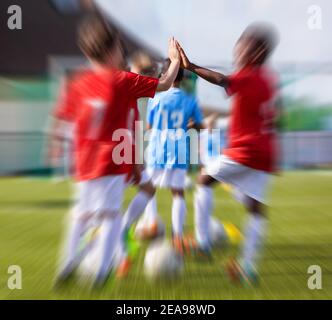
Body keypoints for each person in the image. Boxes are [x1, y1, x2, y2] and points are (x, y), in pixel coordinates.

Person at [50, 13, 181, 287]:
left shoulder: (79, 83)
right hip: (114, 159)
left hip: (85, 163)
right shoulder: (123, 81)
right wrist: (176, 60)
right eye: (119, 47)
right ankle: (103, 269)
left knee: (81, 214)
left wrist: (55, 146)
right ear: (112, 50)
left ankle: (68, 262)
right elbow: (165, 83)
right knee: (110, 215)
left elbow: (61, 119)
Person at [176, 23, 280, 284]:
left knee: (204, 180)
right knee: (255, 209)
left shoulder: (248, 75)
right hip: (264, 153)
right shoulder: (268, 81)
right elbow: (275, 117)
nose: (237, 50)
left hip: (246, 150)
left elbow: (223, 80)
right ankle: (247, 267)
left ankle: (202, 242)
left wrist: (191, 67)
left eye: (243, 46)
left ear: (257, 53)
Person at [145, 68, 203, 254]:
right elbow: (199, 126)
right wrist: (191, 124)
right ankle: (177, 236)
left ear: (165, 75)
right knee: (178, 194)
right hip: (179, 151)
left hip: (158, 150)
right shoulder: (190, 100)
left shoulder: (155, 98)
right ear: (183, 78)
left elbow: (149, 125)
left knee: (148, 190)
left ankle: (151, 222)